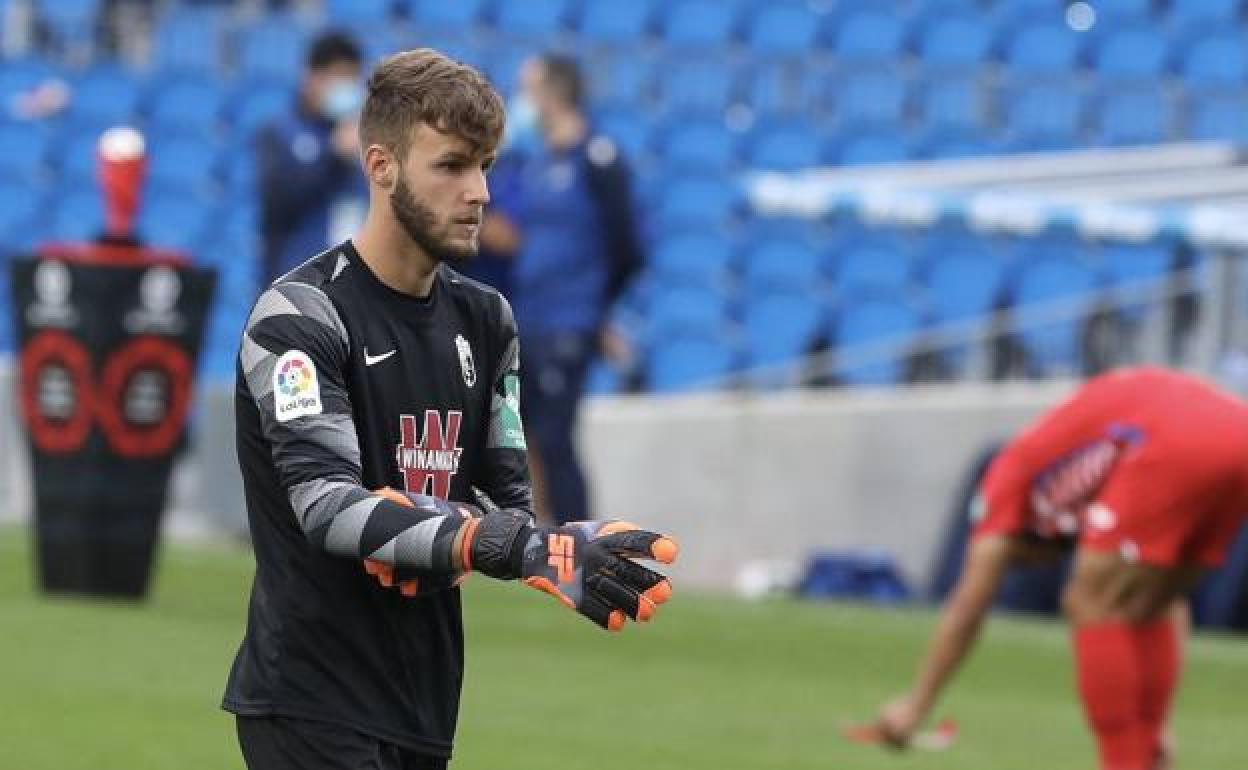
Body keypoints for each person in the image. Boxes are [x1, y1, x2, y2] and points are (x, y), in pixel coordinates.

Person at [222, 48, 678, 770]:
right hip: (310, 699)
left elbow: (506, 506)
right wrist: (476, 537)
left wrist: (537, 542)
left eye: (486, 166)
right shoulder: (299, 316)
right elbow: (328, 508)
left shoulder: (488, 320)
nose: (480, 193)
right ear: (381, 166)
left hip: (424, 704)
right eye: (452, 166)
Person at [867, 367, 1248, 770]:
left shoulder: (1007, 483)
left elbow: (968, 606)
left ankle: (1124, 761)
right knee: (1153, 598)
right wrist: (1159, 723)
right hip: (1235, 432)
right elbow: (1169, 606)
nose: (1033, 565)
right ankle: (1147, 753)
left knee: (1088, 600)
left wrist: (916, 704)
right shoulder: (1068, 472)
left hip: (1177, 441)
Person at [481, 54, 643, 525]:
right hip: (531, 318)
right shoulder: (535, 163)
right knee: (524, 438)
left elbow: (628, 248)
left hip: (569, 322)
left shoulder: (597, 160)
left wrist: (596, 311)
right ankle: (539, 537)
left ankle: (580, 540)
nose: (521, 100)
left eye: (528, 88)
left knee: (555, 439)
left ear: (554, 93)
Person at [256, 30, 367, 284]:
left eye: (352, 78)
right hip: (294, 281)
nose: (347, 87)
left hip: (351, 282)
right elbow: (277, 202)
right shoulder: (280, 132)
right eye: (339, 77)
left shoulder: (363, 137)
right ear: (312, 77)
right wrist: (332, 156)